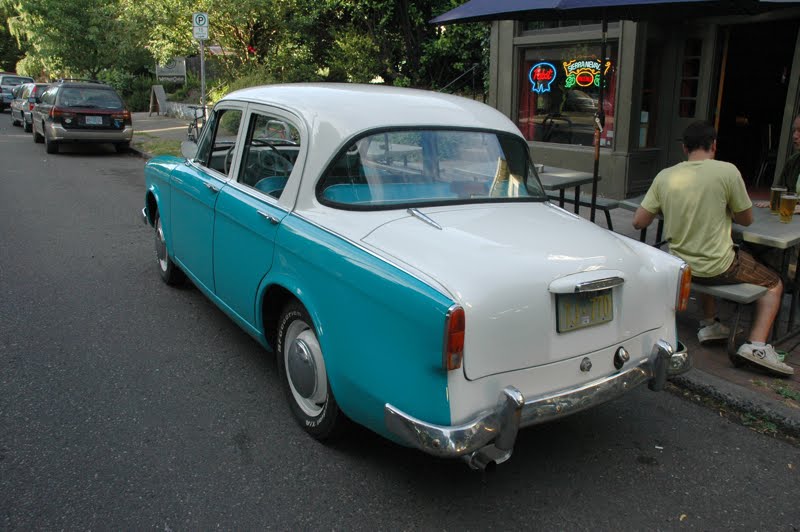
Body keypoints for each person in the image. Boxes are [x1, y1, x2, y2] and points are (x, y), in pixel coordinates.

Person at [633, 120, 793, 376]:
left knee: (704, 256)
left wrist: (670, 207)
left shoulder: (665, 176)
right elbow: (746, 219)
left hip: (682, 265)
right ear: (714, 146)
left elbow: (639, 221)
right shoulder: (727, 172)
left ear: (684, 148)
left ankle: (710, 324)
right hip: (718, 266)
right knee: (774, 283)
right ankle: (757, 346)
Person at [777, 114, 800, 193]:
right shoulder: (792, 161)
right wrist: (775, 201)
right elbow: (780, 191)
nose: (795, 136)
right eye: (794, 130)